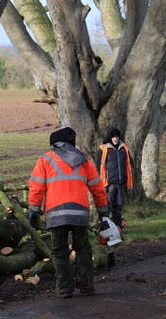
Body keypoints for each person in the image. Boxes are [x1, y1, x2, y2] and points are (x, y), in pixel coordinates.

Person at [28, 127, 109, 298]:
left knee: (59, 252)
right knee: (83, 249)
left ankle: (65, 289)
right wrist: (103, 213)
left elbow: (36, 187)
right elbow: (98, 188)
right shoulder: (84, 160)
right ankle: (87, 286)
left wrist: (33, 211)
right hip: (80, 213)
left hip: (56, 214)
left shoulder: (45, 160)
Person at [96, 127, 133, 228]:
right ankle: (106, 228)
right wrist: (102, 184)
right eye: (113, 137)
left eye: (117, 137)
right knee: (107, 208)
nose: (115, 139)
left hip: (122, 183)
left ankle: (118, 228)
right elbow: (98, 168)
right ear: (110, 138)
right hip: (109, 184)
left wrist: (128, 182)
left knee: (118, 208)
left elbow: (129, 165)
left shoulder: (124, 148)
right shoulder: (103, 149)